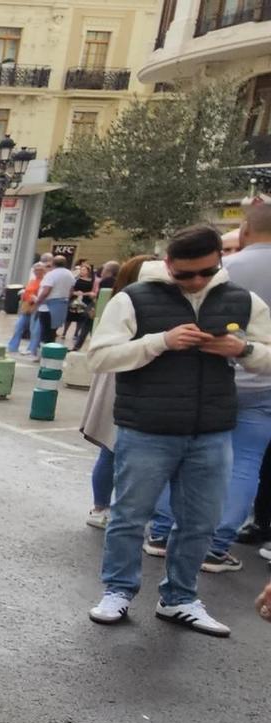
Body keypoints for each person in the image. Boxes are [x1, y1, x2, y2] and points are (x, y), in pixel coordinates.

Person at [87, 225, 271, 638]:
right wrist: (160, 341)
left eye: (205, 272)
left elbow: (268, 355)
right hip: (146, 427)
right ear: (168, 264)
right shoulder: (134, 297)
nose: (196, 282)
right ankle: (117, 590)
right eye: (185, 274)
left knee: (200, 520)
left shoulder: (242, 300)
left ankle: (180, 597)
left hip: (211, 428)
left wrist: (243, 350)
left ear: (219, 262)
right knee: (131, 515)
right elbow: (99, 357)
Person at [80, 254, 154, 530]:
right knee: (115, 450)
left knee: (110, 449)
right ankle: (105, 507)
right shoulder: (132, 304)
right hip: (123, 380)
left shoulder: (117, 301)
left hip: (114, 378)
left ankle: (102, 507)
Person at [36, 255, 77, 347]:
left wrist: (38, 300)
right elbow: (71, 290)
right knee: (53, 331)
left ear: (53, 263)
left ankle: (43, 353)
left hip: (47, 307)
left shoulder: (51, 274)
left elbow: (46, 290)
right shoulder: (69, 274)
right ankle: (50, 349)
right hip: (62, 305)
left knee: (45, 331)